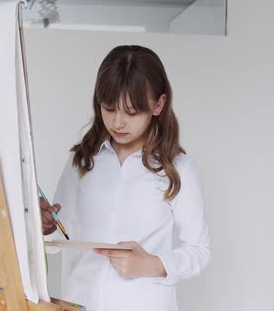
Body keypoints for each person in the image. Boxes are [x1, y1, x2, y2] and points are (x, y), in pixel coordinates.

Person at [40, 45, 211, 311]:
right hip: (81, 302)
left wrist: (154, 264)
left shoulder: (178, 168)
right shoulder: (81, 161)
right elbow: (60, 241)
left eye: (131, 112)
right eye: (108, 108)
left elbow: (199, 251)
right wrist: (47, 228)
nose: (118, 122)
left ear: (158, 105)